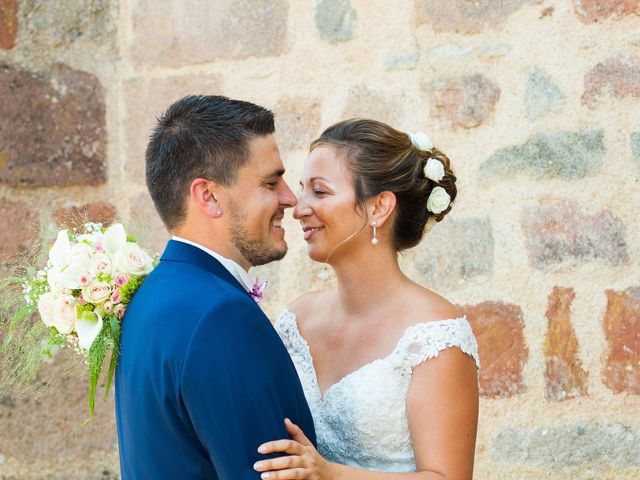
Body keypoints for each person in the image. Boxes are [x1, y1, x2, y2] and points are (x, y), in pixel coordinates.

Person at [254, 119, 480, 479]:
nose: (298, 208)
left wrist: (331, 475)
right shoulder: (297, 320)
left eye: (321, 192)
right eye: (303, 190)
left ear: (379, 208)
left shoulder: (435, 337)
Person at [115, 95, 316, 479]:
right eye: (271, 181)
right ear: (209, 197)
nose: (290, 198)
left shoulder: (148, 296)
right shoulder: (221, 314)